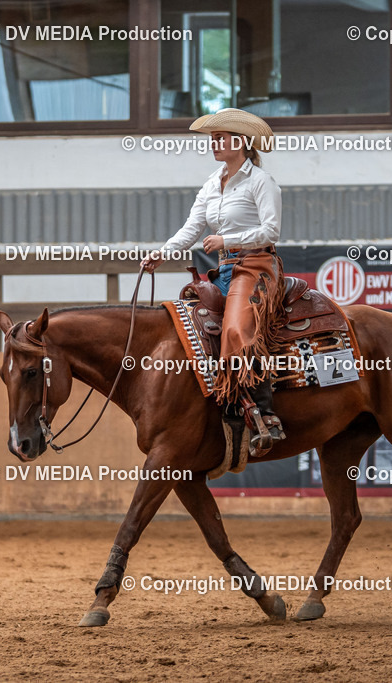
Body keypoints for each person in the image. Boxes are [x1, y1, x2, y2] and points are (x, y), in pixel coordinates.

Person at [142, 108, 286, 452]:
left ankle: (263, 412)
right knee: (187, 324)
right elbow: (192, 227)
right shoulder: (211, 182)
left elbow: (272, 230)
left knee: (237, 328)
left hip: (257, 264)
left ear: (242, 142)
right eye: (214, 138)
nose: (215, 143)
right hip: (224, 270)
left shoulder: (261, 182)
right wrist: (163, 252)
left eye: (221, 137)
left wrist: (227, 241)